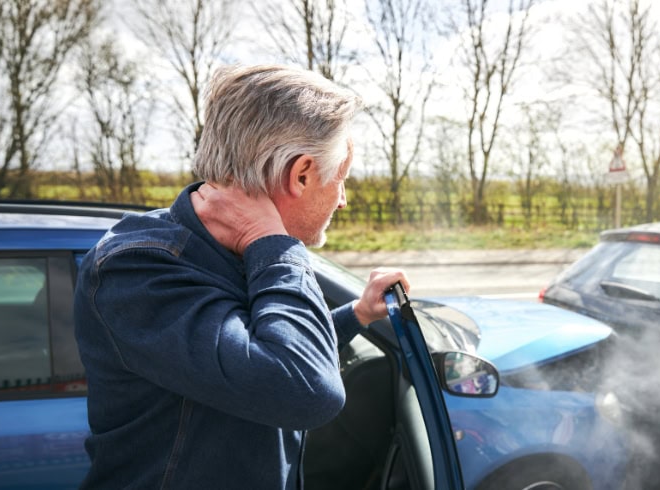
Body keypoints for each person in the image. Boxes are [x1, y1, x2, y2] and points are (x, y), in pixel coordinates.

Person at [74, 64, 410, 489]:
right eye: (340, 179)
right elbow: (305, 388)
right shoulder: (137, 270)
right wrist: (272, 241)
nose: (342, 200)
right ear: (301, 174)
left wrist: (356, 314)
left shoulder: (229, 251)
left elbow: (257, 351)